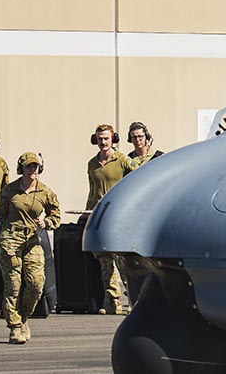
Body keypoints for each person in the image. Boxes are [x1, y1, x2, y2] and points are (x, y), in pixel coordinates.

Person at [0, 152, 60, 344]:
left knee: (35, 284)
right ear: (21, 169)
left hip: (32, 240)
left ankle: (23, 318)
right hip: (10, 239)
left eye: (35, 166)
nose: (33, 170)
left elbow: (56, 216)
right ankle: (14, 327)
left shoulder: (45, 192)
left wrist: (46, 222)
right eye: (28, 166)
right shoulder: (9, 191)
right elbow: (0, 217)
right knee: (13, 286)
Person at [87, 124, 138, 315]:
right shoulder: (92, 164)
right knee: (104, 262)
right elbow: (92, 191)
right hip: (99, 216)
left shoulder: (123, 160)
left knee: (122, 262)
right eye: (100, 138)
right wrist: (87, 214)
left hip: (118, 217)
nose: (103, 142)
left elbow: (139, 177)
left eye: (106, 138)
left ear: (113, 139)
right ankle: (111, 301)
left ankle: (133, 301)